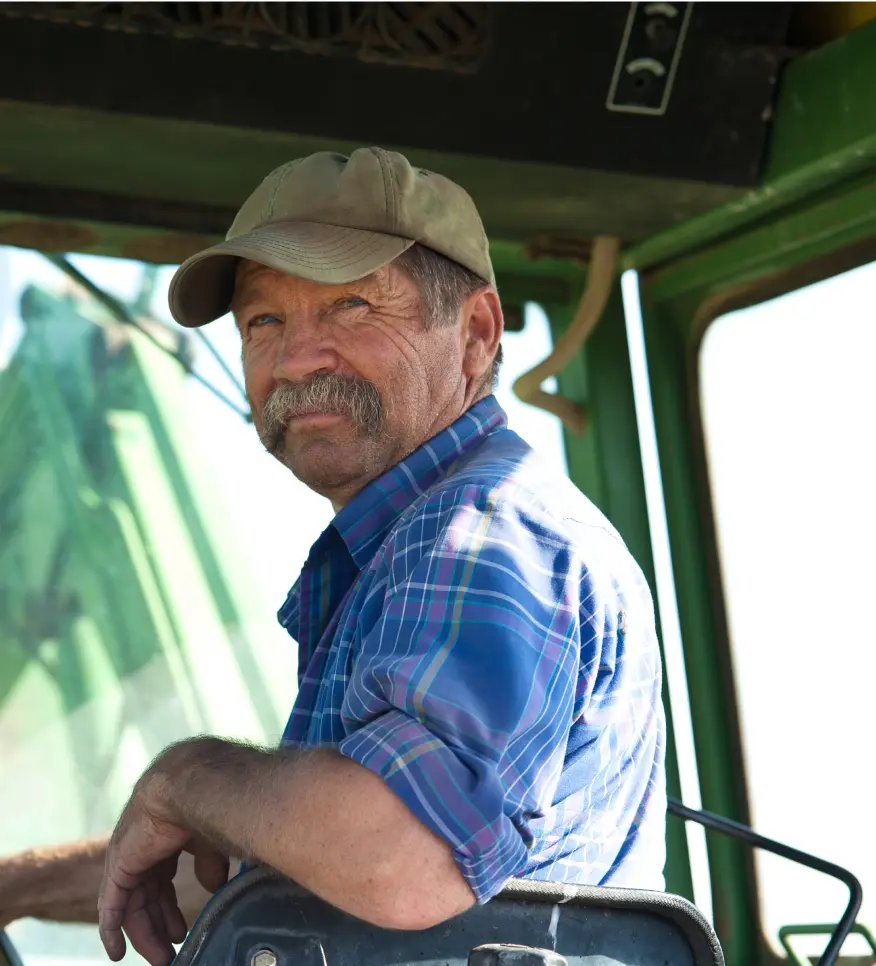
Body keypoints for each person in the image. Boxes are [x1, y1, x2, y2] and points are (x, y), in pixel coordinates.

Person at [0, 148, 666, 966]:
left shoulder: (478, 532)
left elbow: (404, 860)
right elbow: (291, 873)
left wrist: (186, 776)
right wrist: (18, 886)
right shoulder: (403, 548)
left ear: (476, 334)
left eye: (351, 305)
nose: (295, 358)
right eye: (263, 322)